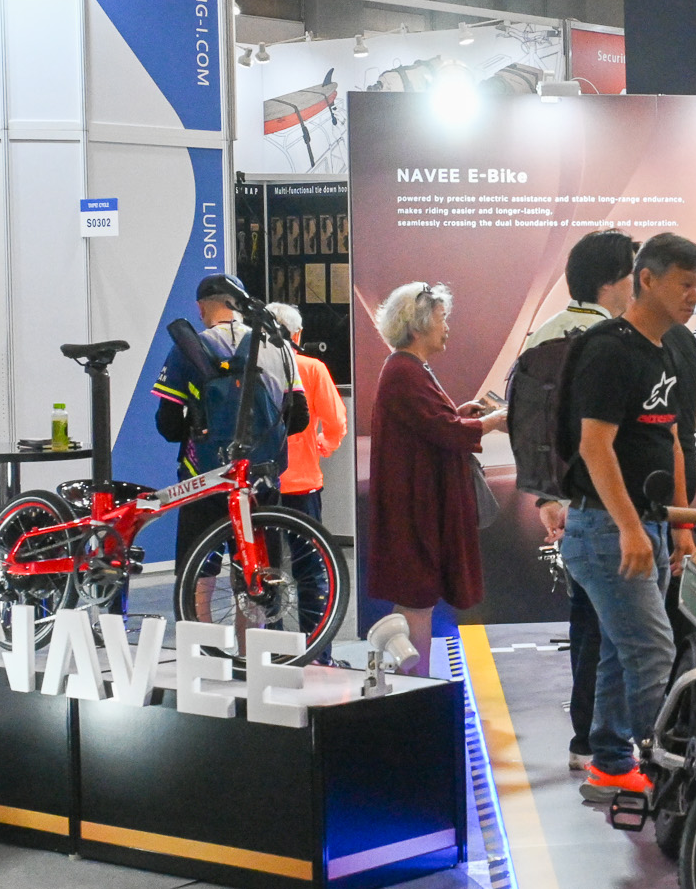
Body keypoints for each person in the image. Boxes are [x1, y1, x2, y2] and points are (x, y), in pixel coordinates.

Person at [558, 233, 696, 804]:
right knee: (652, 652)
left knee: (624, 654)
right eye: (684, 284)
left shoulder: (666, 348)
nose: (694, 296)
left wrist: (680, 526)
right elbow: (594, 446)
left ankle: (612, 765)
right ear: (647, 279)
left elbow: (669, 440)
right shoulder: (607, 350)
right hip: (605, 528)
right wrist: (628, 527)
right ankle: (675, 780)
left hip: (648, 525)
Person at [516, 230, 638, 771]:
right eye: (633, 273)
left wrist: (546, 497)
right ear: (613, 280)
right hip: (616, 505)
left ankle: (584, 740)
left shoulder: (543, 334)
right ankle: (617, 745)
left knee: (586, 625)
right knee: (627, 633)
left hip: (568, 506)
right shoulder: (617, 340)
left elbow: (528, 423)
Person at [365, 281, 507, 669]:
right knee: (417, 599)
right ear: (419, 324)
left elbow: (428, 423)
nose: (447, 328)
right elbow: (443, 430)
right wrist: (493, 420)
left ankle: (412, 678)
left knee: (414, 597)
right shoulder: (404, 371)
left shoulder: (407, 369)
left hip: (415, 501)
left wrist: (458, 414)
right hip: (414, 506)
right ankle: (418, 682)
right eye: (442, 319)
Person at [152, 273, 295, 595]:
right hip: (262, 477)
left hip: (204, 478)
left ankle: (196, 627)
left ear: (201, 308)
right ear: (240, 305)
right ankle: (255, 626)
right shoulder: (279, 348)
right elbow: (298, 417)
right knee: (257, 569)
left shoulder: (187, 349)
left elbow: (168, 425)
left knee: (198, 571)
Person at [265, 301, 350, 519]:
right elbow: (336, 419)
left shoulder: (250, 368)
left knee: (261, 540)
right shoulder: (313, 369)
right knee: (306, 539)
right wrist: (327, 443)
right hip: (301, 481)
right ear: (297, 334)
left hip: (259, 481)